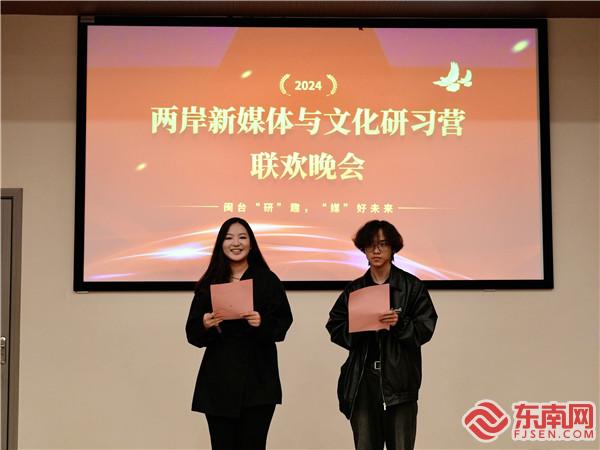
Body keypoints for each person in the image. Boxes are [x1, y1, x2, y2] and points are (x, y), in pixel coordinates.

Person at [326, 220, 437, 450]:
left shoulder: (411, 286)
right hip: (363, 383)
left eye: (383, 244)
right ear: (363, 249)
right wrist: (360, 328)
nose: (376, 251)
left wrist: (399, 324)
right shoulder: (355, 289)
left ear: (392, 248)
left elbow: (425, 328)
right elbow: (335, 327)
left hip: (400, 384)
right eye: (370, 245)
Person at [186, 217, 293, 450]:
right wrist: (205, 323)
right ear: (221, 244)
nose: (236, 243)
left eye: (242, 237)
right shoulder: (210, 282)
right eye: (229, 238)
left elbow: (284, 322)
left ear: (251, 244)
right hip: (219, 381)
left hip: (258, 381)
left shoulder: (267, 280)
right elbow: (192, 333)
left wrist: (262, 322)